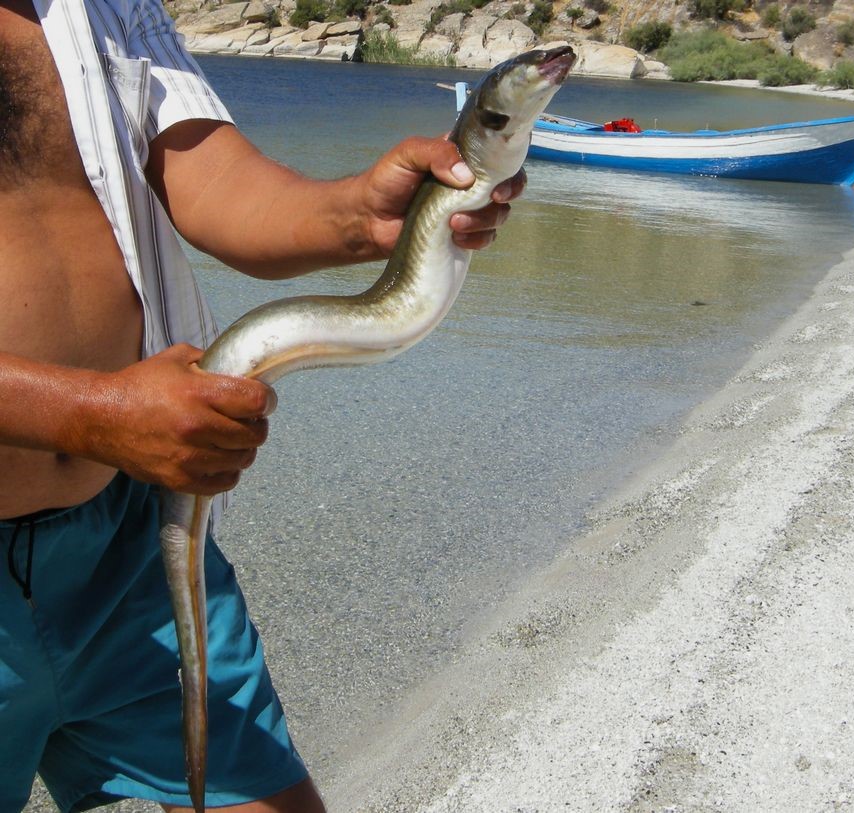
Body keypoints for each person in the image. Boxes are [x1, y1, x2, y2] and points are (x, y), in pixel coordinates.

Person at [0, 0, 525, 809]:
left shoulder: (99, 7)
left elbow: (214, 183)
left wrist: (361, 215)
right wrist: (89, 410)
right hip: (128, 456)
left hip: (133, 539)